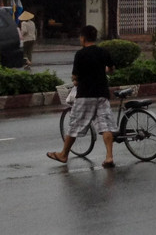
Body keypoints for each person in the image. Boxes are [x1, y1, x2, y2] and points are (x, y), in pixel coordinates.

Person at [47, 25, 116, 168]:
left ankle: (64, 154)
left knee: (75, 125)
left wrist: (75, 81)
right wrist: (103, 70)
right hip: (102, 94)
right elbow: (111, 69)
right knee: (105, 125)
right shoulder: (103, 52)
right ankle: (109, 157)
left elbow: (75, 76)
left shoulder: (80, 54)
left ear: (83, 38)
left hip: (85, 95)